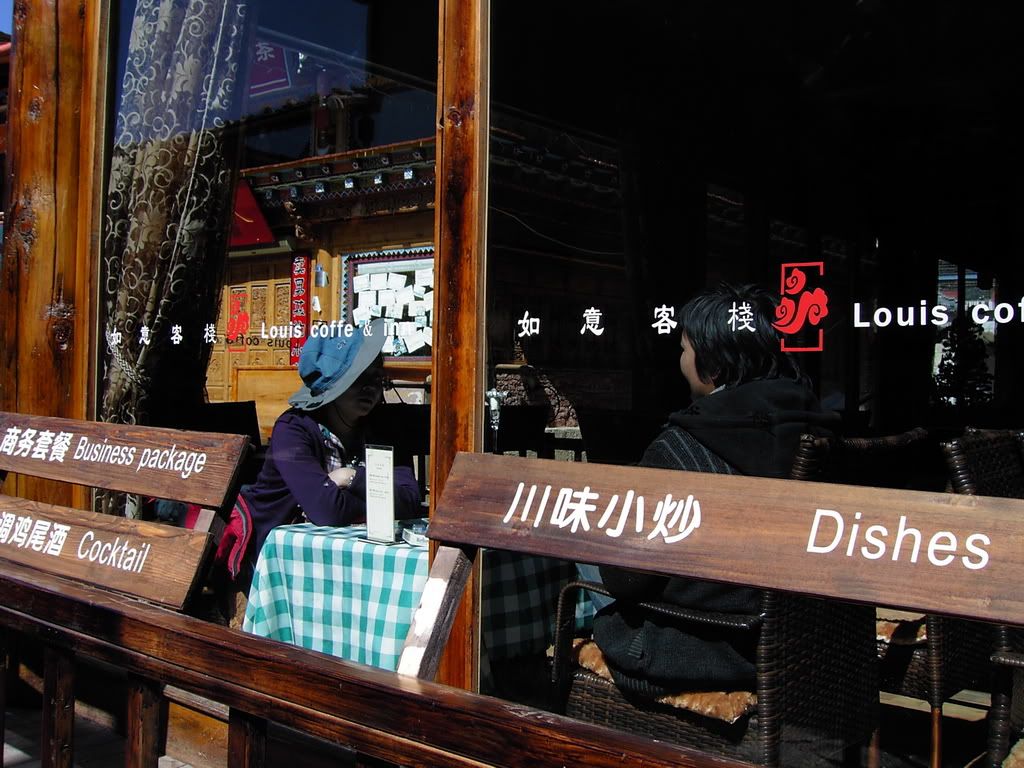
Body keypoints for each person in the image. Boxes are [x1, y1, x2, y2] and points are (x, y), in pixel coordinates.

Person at [590, 283, 839, 698]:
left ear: (715, 365)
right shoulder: (819, 433)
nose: (681, 361)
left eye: (685, 349)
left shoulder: (683, 449)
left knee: (585, 561)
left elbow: (625, 580)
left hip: (711, 646)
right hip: (813, 644)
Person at [217, 318, 422, 584]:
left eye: (376, 377)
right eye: (358, 378)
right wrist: (379, 501)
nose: (370, 388)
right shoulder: (293, 429)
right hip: (279, 564)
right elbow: (327, 511)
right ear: (332, 386)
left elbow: (409, 502)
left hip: (350, 559)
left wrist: (350, 477)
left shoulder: (384, 428)